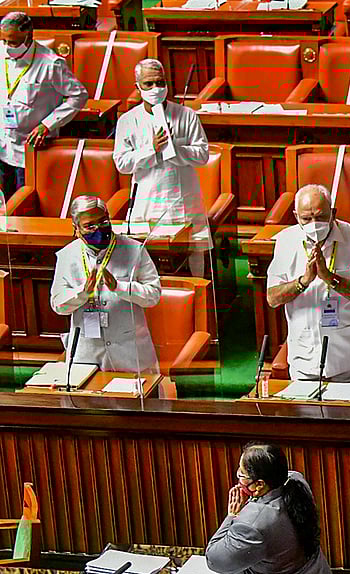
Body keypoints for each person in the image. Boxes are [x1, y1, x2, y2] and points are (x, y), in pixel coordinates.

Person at [206, 443, 337, 574]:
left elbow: (215, 559)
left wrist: (232, 516)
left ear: (259, 484)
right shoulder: (297, 483)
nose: (238, 478)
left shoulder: (252, 524)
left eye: (241, 475)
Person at [266, 185, 350, 382]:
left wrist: (330, 278)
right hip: (304, 360)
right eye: (306, 219)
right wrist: (303, 281)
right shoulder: (285, 241)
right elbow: (273, 298)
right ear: (295, 216)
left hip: (349, 361)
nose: (314, 224)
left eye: (321, 217)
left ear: (333, 213)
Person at [113, 59, 210, 278]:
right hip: (148, 202)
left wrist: (176, 148)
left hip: (184, 200)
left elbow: (202, 155)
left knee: (193, 260)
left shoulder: (186, 115)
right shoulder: (128, 120)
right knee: (147, 263)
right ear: (137, 86)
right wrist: (152, 149)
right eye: (149, 84)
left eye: (160, 82)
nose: (156, 89)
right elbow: (122, 163)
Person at [50, 195, 161, 373]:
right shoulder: (66, 256)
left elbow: (153, 295)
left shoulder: (134, 249)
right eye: (90, 226)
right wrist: (82, 293)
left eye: (103, 222)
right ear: (76, 228)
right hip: (87, 355)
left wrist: (120, 287)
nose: (98, 229)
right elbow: (58, 305)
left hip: (131, 354)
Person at [0, 12, 87, 197]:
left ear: (29, 37)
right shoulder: (1, 52)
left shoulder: (51, 63)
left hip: (30, 148)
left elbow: (78, 96)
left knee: (23, 201)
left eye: (13, 42)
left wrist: (47, 125)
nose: (7, 47)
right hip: (3, 143)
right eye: (4, 41)